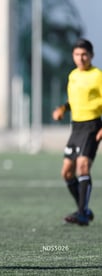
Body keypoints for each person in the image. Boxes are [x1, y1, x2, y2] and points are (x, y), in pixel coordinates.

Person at [52, 38, 102, 226]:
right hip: (76, 128)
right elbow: (74, 100)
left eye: (84, 55)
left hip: (92, 126)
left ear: (91, 56)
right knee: (66, 173)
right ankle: (84, 209)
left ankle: (81, 213)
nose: (80, 58)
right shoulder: (73, 75)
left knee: (83, 166)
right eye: (77, 54)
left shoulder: (98, 75)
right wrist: (62, 109)